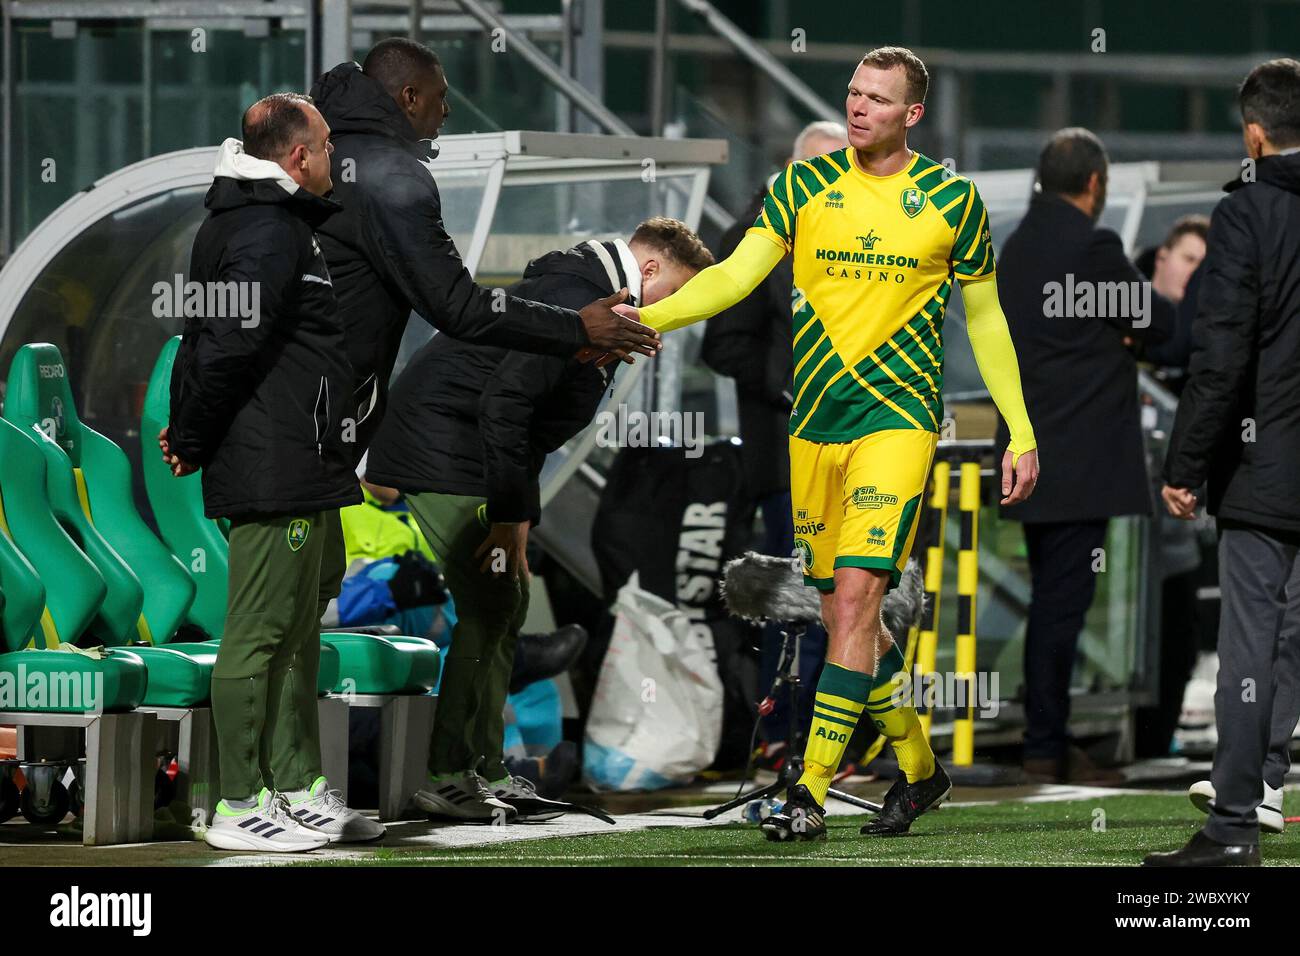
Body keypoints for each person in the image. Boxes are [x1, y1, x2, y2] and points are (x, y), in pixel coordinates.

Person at [616, 46, 1040, 841]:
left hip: (899, 424)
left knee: (852, 599)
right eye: (852, 92)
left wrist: (1020, 429)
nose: (859, 107)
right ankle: (920, 771)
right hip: (810, 428)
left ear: (913, 114)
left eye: (878, 99)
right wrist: (648, 317)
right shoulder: (801, 187)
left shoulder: (953, 201)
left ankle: (806, 790)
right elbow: (734, 277)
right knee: (849, 616)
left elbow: (986, 320)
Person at [307, 37, 662, 635]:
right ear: (409, 96)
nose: (447, 112)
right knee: (279, 622)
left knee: (304, 607)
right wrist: (575, 328)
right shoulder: (391, 174)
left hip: (322, 419)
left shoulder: (342, 155)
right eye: (440, 99)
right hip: (316, 424)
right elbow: (458, 306)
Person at [364, 217, 714, 820]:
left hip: (469, 450)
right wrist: (507, 512)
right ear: (649, 269)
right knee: (492, 599)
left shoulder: (591, 297)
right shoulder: (575, 299)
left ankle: (487, 768)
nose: (671, 312)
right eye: (675, 294)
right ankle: (447, 772)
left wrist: (517, 514)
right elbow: (507, 405)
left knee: (506, 600)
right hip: (443, 449)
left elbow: (527, 420)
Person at [160, 93, 383, 851]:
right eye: (324, 145)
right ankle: (234, 803)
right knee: (257, 637)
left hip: (304, 459)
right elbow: (221, 344)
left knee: (297, 633)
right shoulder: (262, 229)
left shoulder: (276, 225)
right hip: (273, 462)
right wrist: (191, 430)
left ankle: (291, 785)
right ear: (297, 157)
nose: (332, 159)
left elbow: (212, 338)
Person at [1146, 58, 1300, 868]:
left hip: (1267, 466)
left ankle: (1235, 822)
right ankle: (1266, 784)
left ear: (1254, 133)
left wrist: (1187, 463)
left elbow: (1222, 353)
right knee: (1296, 642)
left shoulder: (1247, 215)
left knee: (1250, 641)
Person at [993, 128, 1175, 784]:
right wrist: (1128, 334)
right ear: (1094, 185)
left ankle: (1045, 734)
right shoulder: (1093, 245)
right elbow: (1159, 324)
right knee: (1063, 607)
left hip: (1027, 451)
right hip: (1079, 461)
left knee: (1049, 600)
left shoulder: (1015, 247)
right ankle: (1046, 742)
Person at [702, 121, 849, 761]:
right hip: (786, 459)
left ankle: (826, 738)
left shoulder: (837, 234)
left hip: (844, 449)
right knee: (798, 598)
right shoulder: (754, 236)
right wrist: (788, 379)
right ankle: (783, 736)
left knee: (841, 594)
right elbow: (721, 343)